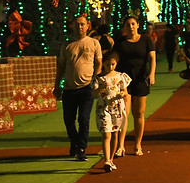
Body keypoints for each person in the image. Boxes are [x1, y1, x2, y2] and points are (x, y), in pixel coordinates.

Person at [53, 14, 103, 161]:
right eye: (77, 24)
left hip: (87, 87)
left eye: (82, 24)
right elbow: (61, 67)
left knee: (84, 119)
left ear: (88, 26)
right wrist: (57, 86)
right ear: (72, 26)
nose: (80, 27)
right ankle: (74, 141)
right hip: (69, 88)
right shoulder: (67, 45)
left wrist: (96, 79)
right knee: (69, 120)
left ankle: (82, 148)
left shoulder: (94, 43)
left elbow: (99, 63)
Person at [113, 16, 156, 157]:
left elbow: (152, 58)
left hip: (141, 80)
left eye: (133, 24)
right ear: (124, 27)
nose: (131, 27)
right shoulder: (120, 43)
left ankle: (138, 144)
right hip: (124, 81)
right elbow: (113, 59)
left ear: (137, 25)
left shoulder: (146, 40)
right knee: (123, 113)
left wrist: (152, 74)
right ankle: (121, 146)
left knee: (139, 114)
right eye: (128, 24)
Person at [92, 50, 131, 172]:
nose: (110, 67)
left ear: (116, 63)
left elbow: (125, 91)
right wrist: (100, 89)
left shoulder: (120, 76)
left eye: (113, 64)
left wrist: (122, 94)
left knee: (115, 133)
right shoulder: (99, 78)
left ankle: (111, 159)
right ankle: (107, 160)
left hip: (117, 108)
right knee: (106, 133)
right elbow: (93, 94)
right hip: (104, 109)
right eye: (108, 64)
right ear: (103, 63)